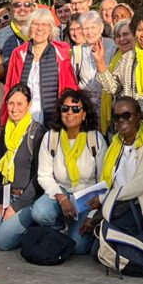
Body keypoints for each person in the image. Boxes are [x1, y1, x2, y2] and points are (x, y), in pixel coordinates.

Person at [32, 90, 108, 255]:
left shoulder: (95, 139)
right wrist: (62, 198)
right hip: (62, 191)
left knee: (78, 247)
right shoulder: (51, 137)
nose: (70, 113)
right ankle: (61, 227)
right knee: (39, 213)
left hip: (87, 196)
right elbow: (44, 175)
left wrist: (93, 214)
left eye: (76, 109)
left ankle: (82, 229)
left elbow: (104, 180)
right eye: (65, 109)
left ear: (84, 114)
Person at [0, 84, 46, 250]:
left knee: (2, 242)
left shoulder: (37, 132)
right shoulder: (5, 131)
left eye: (19, 104)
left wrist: (17, 206)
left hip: (27, 199)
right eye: (11, 103)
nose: (14, 108)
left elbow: (39, 175)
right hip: (7, 195)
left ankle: (31, 228)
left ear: (29, 105)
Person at [95, 96, 143, 233]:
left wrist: (103, 198)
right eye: (117, 117)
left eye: (126, 115)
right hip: (119, 204)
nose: (121, 120)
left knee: (105, 235)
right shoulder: (116, 143)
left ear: (138, 116)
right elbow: (109, 181)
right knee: (93, 237)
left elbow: (140, 185)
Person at [2, 9, 77, 127]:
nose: (39, 28)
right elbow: (10, 87)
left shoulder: (61, 53)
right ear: (29, 27)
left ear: (51, 29)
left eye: (45, 25)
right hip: (23, 113)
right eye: (35, 24)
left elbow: (70, 87)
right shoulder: (19, 53)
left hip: (53, 114)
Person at [72, 10, 116, 118]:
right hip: (86, 105)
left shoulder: (113, 46)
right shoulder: (77, 51)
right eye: (85, 28)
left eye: (93, 27)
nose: (89, 32)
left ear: (101, 28)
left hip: (109, 102)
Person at [98, 19, 135, 133]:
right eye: (118, 36)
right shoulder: (116, 57)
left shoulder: (141, 57)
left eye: (126, 34)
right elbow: (113, 88)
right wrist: (99, 60)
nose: (122, 39)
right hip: (118, 117)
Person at [0, 0, 36, 64]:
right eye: (17, 5)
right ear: (11, 9)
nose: (22, 8)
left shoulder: (45, 31)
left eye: (27, 4)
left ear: (33, 8)